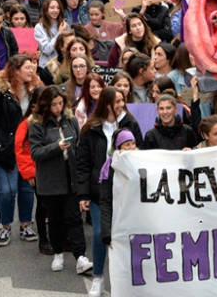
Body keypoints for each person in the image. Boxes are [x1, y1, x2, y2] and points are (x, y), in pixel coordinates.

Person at [76, 87, 142, 296]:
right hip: (99, 191)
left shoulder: (130, 124)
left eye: (123, 100)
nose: (122, 105)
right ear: (107, 104)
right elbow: (83, 163)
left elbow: (141, 153)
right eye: (118, 101)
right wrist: (83, 194)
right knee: (99, 233)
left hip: (128, 192)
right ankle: (98, 277)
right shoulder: (90, 129)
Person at [28, 86, 92, 274]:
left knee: (74, 217)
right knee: (55, 219)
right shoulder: (36, 124)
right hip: (49, 178)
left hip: (69, 174)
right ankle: (57, 252)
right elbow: (35, 152)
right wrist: (56, 147)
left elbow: (79, 144)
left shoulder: (70, 119)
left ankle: (80, 256)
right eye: (54, 104)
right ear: (45, 105)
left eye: (60, 103)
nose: (58, 107)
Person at [0, 54, 42, 246]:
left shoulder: (36, 90)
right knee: (8, 190)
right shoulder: (1, 91)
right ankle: (5, 227)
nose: (31, 70)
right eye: (27, 67)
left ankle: (25, 225)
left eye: (32, 67)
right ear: (15, 70)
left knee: (26, 188)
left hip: (27, 147)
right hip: (5, 147)